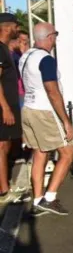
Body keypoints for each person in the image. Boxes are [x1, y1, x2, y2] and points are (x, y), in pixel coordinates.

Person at [19, 23, 73, 216]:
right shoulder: (46, 59)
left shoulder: (26, 56)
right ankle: (49, 198)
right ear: (50, 36)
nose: (55, 39)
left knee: (40, 153)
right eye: (55, 35)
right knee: (68, 153)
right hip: (45, 112)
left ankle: (37, 201)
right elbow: (52, 91)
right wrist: (66, 121)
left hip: (29, 108)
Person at [0, 14, 21, 200]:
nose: (18, 29)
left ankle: (4, 186)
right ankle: (4, 189)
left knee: (6, 144)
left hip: (8, 104)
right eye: (16, 26)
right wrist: (5, 107)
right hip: (2, 107)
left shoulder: (5, 49)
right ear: (7, 28)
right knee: (2, 145)